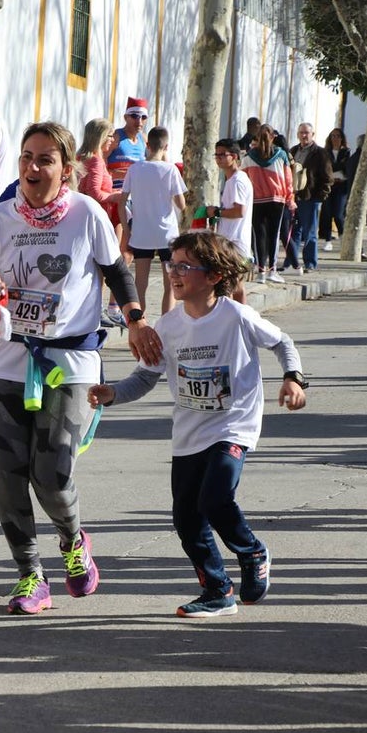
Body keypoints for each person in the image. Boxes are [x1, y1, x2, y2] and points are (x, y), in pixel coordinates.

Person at [0, 121, 159, 615]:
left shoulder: (86, 213)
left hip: (71, 362)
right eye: (27, 157)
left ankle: (72, 541)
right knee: (8, 474)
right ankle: (30, 576)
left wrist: (135, 320)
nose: (32, 166)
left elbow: (116, 272)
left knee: (50, 472)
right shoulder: (1, 218)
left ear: (65, 170)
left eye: (45, 159)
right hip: (8, 360)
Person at [88, 231, 307, 617]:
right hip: (189, 433)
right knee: (186, 519)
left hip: (233, 426)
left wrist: (293, 378)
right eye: (171, 264)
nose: (174, 273)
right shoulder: (168, 327)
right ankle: (217, 591)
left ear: (213, 275)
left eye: (185, 266)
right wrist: (113, 393)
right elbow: (145, 378)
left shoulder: (235, 316)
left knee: (215, 499)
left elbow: (282, 342)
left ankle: (252, 551)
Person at [120, 126, 186, 317]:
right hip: (167, 233)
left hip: (141, 233)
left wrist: (126, 229)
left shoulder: (134, 169)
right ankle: (166, 327)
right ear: (166, 146)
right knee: (170, 284)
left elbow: (122, 201)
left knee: (140, 284)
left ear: (147, 145)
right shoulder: (170, 169)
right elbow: (181, 204)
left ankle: (139, 324)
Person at [76, 117, 124, 326]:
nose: (112, 140)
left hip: (89, 216)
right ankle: (96, 309)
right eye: (110, 135)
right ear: (100, 137)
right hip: (100, 216)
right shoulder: (95, 160)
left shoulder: (82, 156)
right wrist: (118, 195)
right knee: (104, 266)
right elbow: (94, 192)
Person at [241, 124, 295, 284]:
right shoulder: (281, 155)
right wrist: (290, 198)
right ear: (273, 137)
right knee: (274, 235)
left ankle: (261, 272)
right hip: (277, 199)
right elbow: (288, 179)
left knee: (259, 235)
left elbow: (243, 180)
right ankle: (272, 270)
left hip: (256, 201)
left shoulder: (248, 157)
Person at [208, 139, 254, 304]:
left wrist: (216, 211)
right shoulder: (234, 180)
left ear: (234, 156)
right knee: (236, 287)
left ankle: (233, 322)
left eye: (222, 155)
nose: (218, 158)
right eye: (216, 154)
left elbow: (238, 211)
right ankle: (241, 321)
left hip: (234, 243)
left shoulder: (236, 181)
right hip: (233, 241)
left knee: (227, 287)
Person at [285, 122, 331, 273]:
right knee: (292, 231)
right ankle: (291, 262)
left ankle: (310, 263)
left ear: (312, 134)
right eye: (301, 133)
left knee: (310, 232)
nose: (304, 135)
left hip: (310, 198)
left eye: (307, 133)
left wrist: (320, 196)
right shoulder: (292, 150)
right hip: (293, 198)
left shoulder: (320, 153)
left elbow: (327, 177)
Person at [106, 96, 149, 190]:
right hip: (116, 193)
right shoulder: (115, 136)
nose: (139, 121)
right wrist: (121, 174)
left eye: (143, 117)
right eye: (134, 116)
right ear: (125, 117)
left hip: (137, 194)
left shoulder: (144, 139)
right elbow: (100, 164)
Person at [320, 128, 350, 253]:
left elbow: (345, 167)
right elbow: (326, 167)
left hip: (341, 186)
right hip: (329, 186)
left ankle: (343, 238)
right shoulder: (325, 152)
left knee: (338, 214)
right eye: (333, 136)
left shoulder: (346, 152)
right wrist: (335, 168)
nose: (335, 138)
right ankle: (328, 240)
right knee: (327, 213)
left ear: (342, 138)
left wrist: (334, 168)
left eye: (338, 136)